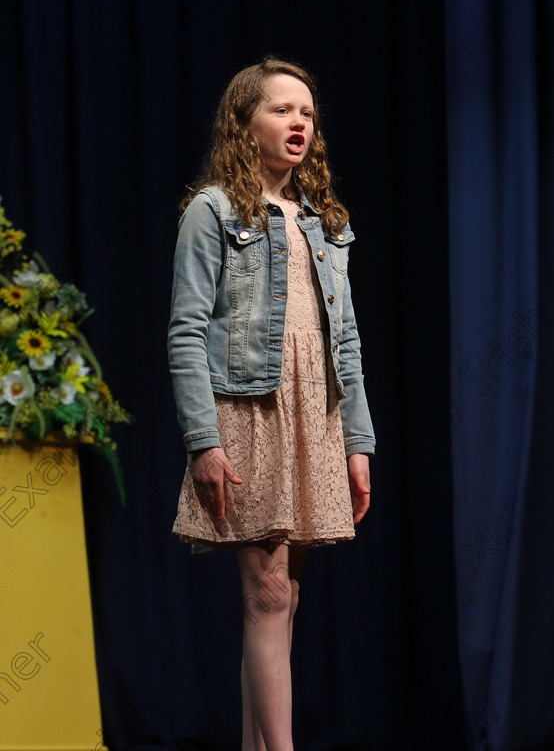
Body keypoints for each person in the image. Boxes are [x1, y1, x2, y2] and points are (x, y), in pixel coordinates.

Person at [168, 57, 375, 751]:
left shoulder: (325, 222)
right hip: (247, 411)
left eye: (308, 114)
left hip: (312, 414)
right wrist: (204, 439)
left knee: (280, 600)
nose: (298, 123)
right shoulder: (214, 210)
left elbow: (344, 340)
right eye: (282, 110)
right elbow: (187, 328)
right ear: (244, 122)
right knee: (266, 593)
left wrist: (357, 443)